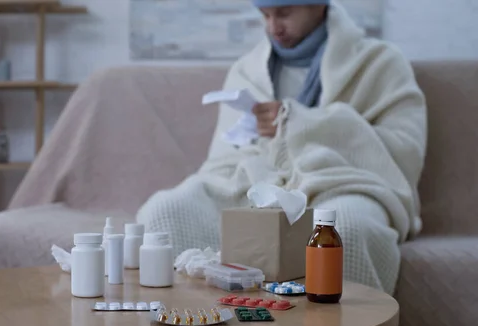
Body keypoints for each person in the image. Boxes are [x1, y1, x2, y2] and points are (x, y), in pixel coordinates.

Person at [137, 0, 426, 297]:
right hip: (254, 183)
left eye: (285, 13)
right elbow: (224, 157)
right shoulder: (247, 70)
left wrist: (298, 122)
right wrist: (260, 137)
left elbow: (405, 148)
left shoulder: (379, 62)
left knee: (344, 229)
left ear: (317, 6)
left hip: (341, 184)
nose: (273, 27)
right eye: (265, 15)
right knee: (167, 209)